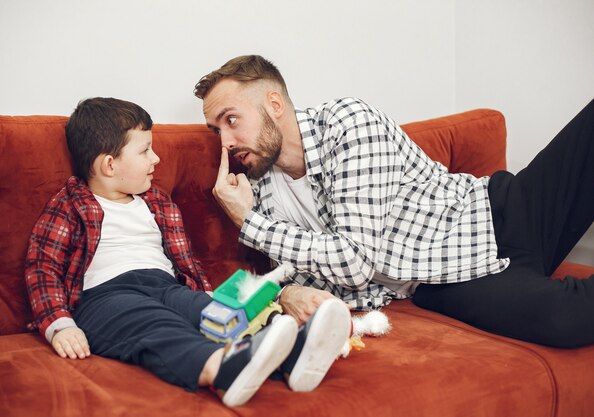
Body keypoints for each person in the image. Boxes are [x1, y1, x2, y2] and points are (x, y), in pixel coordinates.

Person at [194, 55, 594, 349]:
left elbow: (354, 261)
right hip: (442, 279)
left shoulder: (346, 123)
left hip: (495, 213)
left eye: (232, 120)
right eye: (216, 131)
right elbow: (309, 281)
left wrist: (248, 223)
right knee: (567, 321)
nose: (226, 143)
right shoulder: (256, 189)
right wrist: (283, 294)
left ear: (274, 104)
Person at [24, 97, 351, 407]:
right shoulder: (71, 205)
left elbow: (185, 261)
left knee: (212, 311)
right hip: (104, 298)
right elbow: (43, 266)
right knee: (156, 325)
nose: (156, 159)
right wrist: (59, 324)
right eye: (145, 151)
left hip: (165, 287)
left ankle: (294, 351)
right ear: (109, 165)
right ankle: (222, 370)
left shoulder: (156, 202)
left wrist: (208, 298)